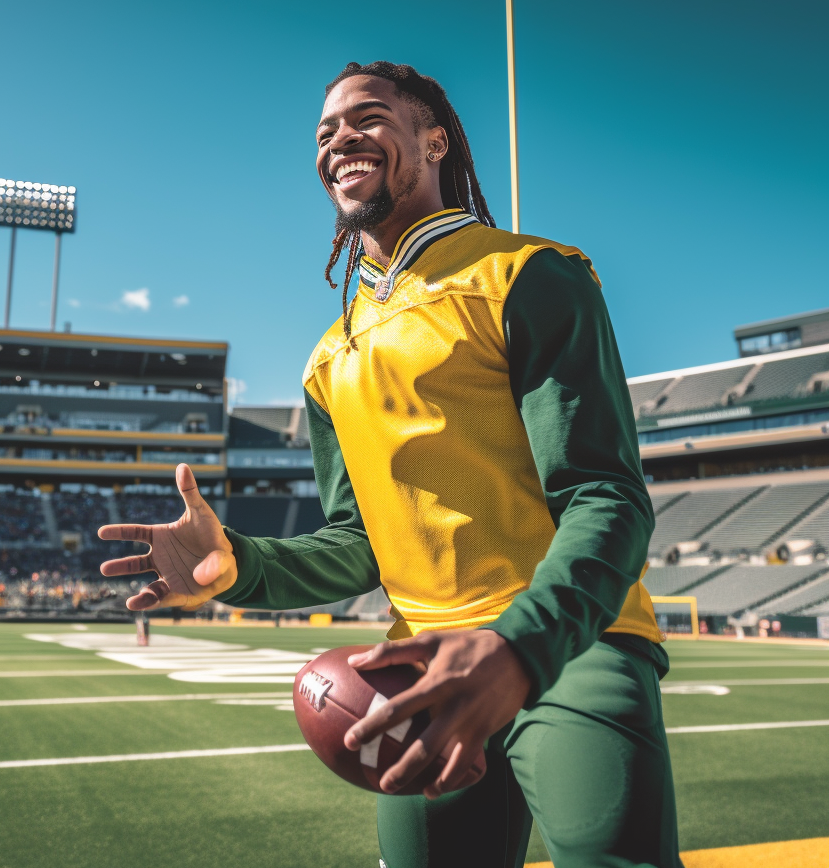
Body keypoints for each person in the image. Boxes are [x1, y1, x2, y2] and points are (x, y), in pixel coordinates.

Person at [100, 62, 682, 868]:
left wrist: (518, 646)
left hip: (573, 647)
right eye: (324, 131)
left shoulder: (529, 275)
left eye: (366, 118)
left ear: (434, 138)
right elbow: (358, 542)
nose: (339, 138)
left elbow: (607, 498)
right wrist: (238, 564)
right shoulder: (328, 359)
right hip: (421, 668)